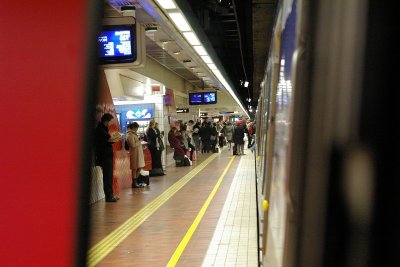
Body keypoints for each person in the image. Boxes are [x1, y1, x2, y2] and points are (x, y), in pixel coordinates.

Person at [94, 113, 120, 202]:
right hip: (104, 156)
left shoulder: (103, 129)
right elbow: (101, 143)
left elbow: (106, 141)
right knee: (107, 176)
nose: (111, 124)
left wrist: (112, 139)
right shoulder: (100, 130)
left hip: (106, 155)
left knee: (109, 176)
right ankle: (109, 196)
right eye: (110, 121)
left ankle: (111, 194)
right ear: (106, 121)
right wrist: (110, 139)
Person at [126, 122, 146, 188]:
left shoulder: (133, 134)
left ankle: (136, 181)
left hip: (138, 153)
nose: (137, 129)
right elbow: (133, 145)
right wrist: (139, 142)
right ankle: (134, 183)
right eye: (136, 128)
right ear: (134, 127)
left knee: (139, 167)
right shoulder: (130, 134)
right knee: (134, 168)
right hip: (134, 153)